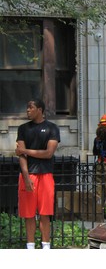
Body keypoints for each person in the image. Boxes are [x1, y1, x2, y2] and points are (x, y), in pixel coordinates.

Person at [15, 98, 60, 249]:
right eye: (27, 108)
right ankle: (30, 248)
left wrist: (25, 151)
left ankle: (45, 247)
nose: (27, 110)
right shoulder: (23, 128)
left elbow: (48, 153)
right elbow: (22, 156)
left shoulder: (52, 128)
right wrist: (26, 177)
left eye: (31, 108)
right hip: (28, 175)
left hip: (46, 174)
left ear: (39, 109)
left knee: (45, 213)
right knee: (28, 214)